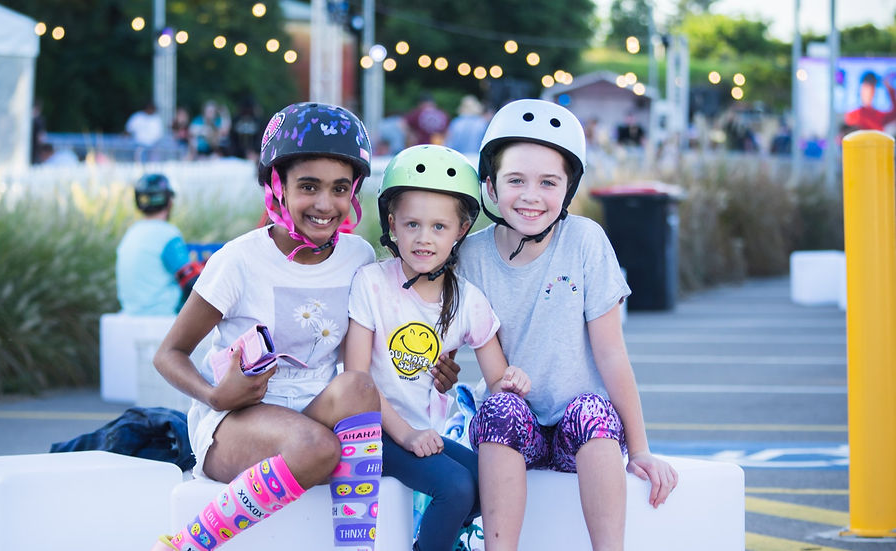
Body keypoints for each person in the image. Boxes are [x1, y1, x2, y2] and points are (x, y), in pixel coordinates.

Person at [149, 102, 386, 551]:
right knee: (317, 449)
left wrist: (436, 358)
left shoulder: (360, 256)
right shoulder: (238, 261)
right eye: (308, 186)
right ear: (277, 186)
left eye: (339, 188)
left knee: (357, 387)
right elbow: (168, 354)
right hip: (235, 421)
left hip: (312, 410)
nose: (324, 204)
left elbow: (370, 351)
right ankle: (184, 545)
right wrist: (214, 395)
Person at [457, 99, 678, 551]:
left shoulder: (585, 240)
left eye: (548, 182)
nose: (531, 195)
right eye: (515, 180)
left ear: (568, 188)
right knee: (498, 406)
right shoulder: (473, 256)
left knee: (593, 411)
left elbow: (611, 353)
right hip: (517, 422)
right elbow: (486, 355)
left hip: (580, 425)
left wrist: (639, 450)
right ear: (492, 188)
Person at [344, 145, 529, 551]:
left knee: (487, 483)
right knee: (456, 489)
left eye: (438, 227)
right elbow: (355, 382)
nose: (423, 239)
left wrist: (512, 379)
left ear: (461, 231)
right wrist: (406, 434)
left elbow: (498, 380)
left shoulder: (468, 300)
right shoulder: (371, 283)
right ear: (392, 224)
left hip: (423, 433)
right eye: (412, 224)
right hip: (370, 430)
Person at [116, 174, 202, 316]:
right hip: (163, 315)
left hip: (130, 314)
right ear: (169, 202)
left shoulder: (131, 233)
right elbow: (191, 282)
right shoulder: (167, 234)